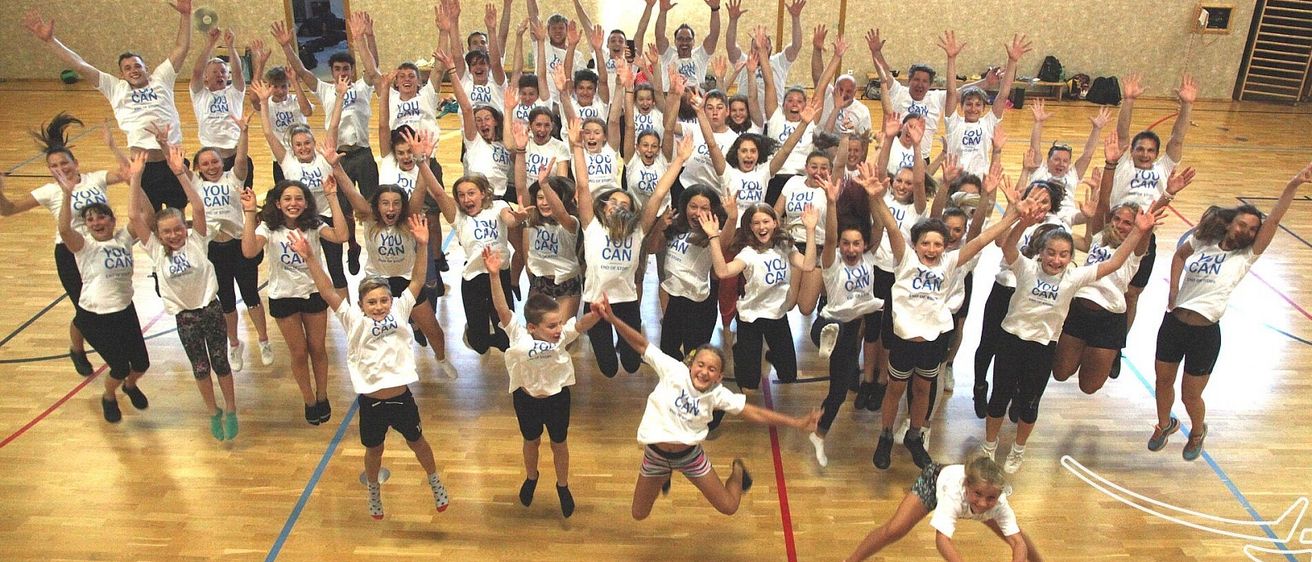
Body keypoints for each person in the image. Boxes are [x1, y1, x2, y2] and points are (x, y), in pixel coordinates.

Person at [983, 181, 1158, 474]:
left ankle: (1018, 449)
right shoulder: (1026, 267)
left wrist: (1140, 232)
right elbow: (1009, 245)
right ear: (1041, 252)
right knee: (999, 396)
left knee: (1029, 403)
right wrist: (1019, 218)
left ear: (1070, 257)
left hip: (1042, 348)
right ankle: (989, 446)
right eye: (1051, 253)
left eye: (1064, 254)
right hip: (1012, 340)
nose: (1056, 259)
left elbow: (1115, 262)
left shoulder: (1074, 278)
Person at [863, 158, 1027, 471]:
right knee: (895, 389)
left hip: (933, 340)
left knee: (923, 389)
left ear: (944, 247)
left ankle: (914, 435)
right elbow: (893, 227)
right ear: (916, 244)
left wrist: (1012, 216)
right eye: (926, 242)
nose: (933, 248)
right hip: (904, 339)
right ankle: (885, 435)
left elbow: (980, 239)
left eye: (938, 244)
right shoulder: (905, 259)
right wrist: (875, 196)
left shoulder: (950, 263)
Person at [593, 298, 819, 519]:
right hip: (655, 455)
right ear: (691, 365)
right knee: (639, 514)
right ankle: (664, 475)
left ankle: (738, 472)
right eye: (700, 365)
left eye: (712, 369)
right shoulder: (673, 370)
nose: (704, 371)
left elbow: (756, 412)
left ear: (719, 377)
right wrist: (612, 319)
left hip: (690, 456)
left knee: (729, 506)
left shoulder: (717, 395)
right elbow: (641, 344)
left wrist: (796, 422)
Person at [291, 213, 451, 520]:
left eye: (383, 300)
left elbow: (416, 281)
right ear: (362, 305)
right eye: (372, 302)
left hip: (402, 398)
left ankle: (434, 480)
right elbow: (327, 291)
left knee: (419, 442)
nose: (379, 306)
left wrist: (422, 244)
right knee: (374, 451)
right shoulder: (353, 321)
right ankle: (374, 491)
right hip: (372, 403)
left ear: (391, 301)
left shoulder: (401, 310)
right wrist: (311, 258)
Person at [1148, 163, 1308, 460]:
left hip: (1205, 333)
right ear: (1231, 223)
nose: (1246, 231)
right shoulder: (1205, 241)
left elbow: (1274, 220)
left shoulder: (1246, 256)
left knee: (1189, 394)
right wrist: (1173, 288)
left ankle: (1197, 432)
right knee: (1162, 381)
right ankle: (1164, 423)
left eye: (1252, 229)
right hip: (1173, 324)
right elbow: (1180, 255)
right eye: (1242, 225)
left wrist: (1293, 185)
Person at [1053, 135, 1194, 392]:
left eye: (1127, 223)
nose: (1119, 224)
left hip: (1110, 319)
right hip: (1080, 311)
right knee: (1060, 373)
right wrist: (1110, 165)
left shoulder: (1135, 249)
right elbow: (1105, 201)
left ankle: (1104, 351)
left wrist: (1168, 194)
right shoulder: (1098, 236)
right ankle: (1083, 349)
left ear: (1136, 227)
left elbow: (1149, 216)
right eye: (1116, 219)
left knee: (1089, 386)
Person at [23, 3, 192, 210]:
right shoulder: (115, 87)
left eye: (138, 66)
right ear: (121, 74)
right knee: (151, 219)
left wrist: (186, 15)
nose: (134, 70)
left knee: (178, 215)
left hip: (172, 160)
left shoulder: (161, 79)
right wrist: (51, 41)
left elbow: (181, 48)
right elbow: (80, 65)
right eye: (127, 68)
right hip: (143, 167)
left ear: (146, 67)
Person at [0, 113, 128, 376]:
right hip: (70, 252)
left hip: (101, 250)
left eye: (64, 162)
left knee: (103, 302)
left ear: (75, 163)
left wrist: (113, 146)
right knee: (84, 308)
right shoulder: (49, 191)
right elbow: (9, 209)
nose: (60, 168)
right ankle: (78, 348)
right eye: (54, 165)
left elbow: (128, 173)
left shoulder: (95, 178)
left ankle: (107, 351)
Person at [485, 246, 602, 517]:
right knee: (531, 441)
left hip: (557, 399)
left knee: (559, 444)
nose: (559, 329)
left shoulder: (562, 336)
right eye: (552, 326)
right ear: (532, 327)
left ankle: (563, 485)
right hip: (526, 400)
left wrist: (595, 313)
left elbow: (580, 325)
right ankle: (531, 476)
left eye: (559, 323)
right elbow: (502, 308)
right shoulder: (517, 334)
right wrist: (494, 275)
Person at [335, 129, 459, 380]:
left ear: (402, 206)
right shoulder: (369, 219)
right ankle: (370, 364)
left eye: (395, 203)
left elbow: (421, 190)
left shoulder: (408, 219)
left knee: (434, 330)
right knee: (373, 329)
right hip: (375, 282)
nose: (390, 208)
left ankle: (442, 357)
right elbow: (352, 193)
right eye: (385, 203)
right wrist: (336, 169)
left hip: (405, 281)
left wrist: (425, 159)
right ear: (376, 205)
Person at [572, 119, 686, 377]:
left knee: (632, 365)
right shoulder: (592, 227)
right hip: (596, 304)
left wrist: (678, 160)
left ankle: (626, 351)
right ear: (603, 207)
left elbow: (657, 195)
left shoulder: (637, 232)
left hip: (626, 303)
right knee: (609, 369)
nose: (619, 207)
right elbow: (582, 185)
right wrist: (577, 146)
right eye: (613, 202)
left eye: (625, 204)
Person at [139, 146, 238, 440]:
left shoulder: (197, 239)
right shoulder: (156, 250)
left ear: (185, 227)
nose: (173, 235)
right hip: (186, 317)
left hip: (210, 309)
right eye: (167, 231)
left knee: (221, 362)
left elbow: (197, 206)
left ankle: (230, 407)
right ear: (159, 235)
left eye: (177, 229)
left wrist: (181, 174)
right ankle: (213, 411)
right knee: (200, 367)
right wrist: (134, 181)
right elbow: (135, 214)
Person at [273, 13, 380, 276]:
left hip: (362, 154)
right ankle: (352, 245)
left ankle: (377, 247)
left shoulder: (363, 88)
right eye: (338, 70)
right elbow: (301, 71)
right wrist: (287, 46)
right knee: (344, 209)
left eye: (346, 69)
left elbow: (372, 66)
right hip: (337, 157)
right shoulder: (323, 89)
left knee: (371, 204)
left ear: (352, 71)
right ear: (331, 72)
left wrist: (366, 37)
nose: (342, 73)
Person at [240, 173, 350, 425]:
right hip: (283, 296)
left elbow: (341, 235)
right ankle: (309, 400)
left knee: (318, 348)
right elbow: (248, 251)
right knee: (299, 353)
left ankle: (323, 396)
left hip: (312, 292)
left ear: (306, 202)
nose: (293, 203)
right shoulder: (268, 227)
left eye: (298, 198)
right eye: (287, 198)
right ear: (277, 203)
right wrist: (248, 213)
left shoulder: (314, 224)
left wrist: (332, 197)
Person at [55, 157, 149, 423]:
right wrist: (66, 195)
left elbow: (146, 216)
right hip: (94, 316)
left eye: (101, 217)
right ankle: (109, 396)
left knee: (141, 364)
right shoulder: (84, 246)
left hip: (124, 311)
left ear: (111, 220)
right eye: (90, 219)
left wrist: (135, 181)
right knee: (119, 367)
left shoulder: (123, 238)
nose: (96, 222)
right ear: (86, 225)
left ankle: (130, 386)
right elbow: (64, 228)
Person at [181, 112, 274, 372]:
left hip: (238, 246)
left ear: (222, 163)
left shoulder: (233, 179)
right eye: (206, 163)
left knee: (251, 295)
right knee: (227, 301)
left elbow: (242, 159)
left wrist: (243, 132)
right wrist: (168, 148)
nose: (212, 166)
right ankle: (234, 344)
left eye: (215, 162)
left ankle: (264, 340)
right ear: (199, 168)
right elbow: (180, 170)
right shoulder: (196, 184)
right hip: (213, 250)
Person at [806, 171, 883, 467]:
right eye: (846, 243)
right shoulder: (832, 261)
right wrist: (831, 201)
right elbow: (829, 236)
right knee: (828, 328)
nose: (851, 249)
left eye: (856, 244)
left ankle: (820, 436)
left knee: (838, 392)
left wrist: (873, 196)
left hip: (851, 332)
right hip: (828, 322)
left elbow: (878, 229)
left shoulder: (870, 258)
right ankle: (826, 340)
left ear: (863, 246)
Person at [252, 77, 354, 297]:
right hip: (301, 221)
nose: (304, 147)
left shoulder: (324, 157)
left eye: (307, 143)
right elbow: (269, 134)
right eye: (298, 144)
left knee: (336, 268)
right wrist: (263, 103)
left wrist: (340, 96)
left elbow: (334, 125)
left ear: (313, 142)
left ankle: (346, 313)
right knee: (308, 265)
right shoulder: (287, 162)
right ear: (293, 147)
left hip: (325, 217)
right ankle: (313, 300)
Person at [1113, 73, 1197, 333]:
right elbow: (1122, 134)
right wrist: (1128, 100)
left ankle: (1117, 346)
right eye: (1141, 149)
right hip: (1114, 233)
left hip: (1145, 238)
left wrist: (1186, 106)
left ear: (1156, 154)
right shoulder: (1122, 164)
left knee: (1131, 295)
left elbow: (1177, 139)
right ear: (1133, 151)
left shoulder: (1163, 169)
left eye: (1150, 150)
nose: (1145, 154)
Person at [704, 202, 818, 389]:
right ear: (749, 227)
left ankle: (772, 353)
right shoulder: (748, 254)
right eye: (756, 223)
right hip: (751, 318)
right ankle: (740, 350)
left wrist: (811, 230)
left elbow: (808, 265)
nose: (761, 227)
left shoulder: (784, 247)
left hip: (777, 316)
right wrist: (713, 237)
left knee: (789, 375)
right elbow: (722, 272)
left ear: (775, 223)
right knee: (749, 381)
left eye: (766, 221)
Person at [844, 457, 1044, 562]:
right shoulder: (954, 495)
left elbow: (1018, 542)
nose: (983, 503)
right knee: (895, 529)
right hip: (935, 481)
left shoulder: (997, 503)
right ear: (966, 485)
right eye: (978, 495)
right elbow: (942, 540)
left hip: (966, 495)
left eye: (991, 497)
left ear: (999, 494)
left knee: (1018, 533)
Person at [941, 32, 1030, 177]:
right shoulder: (953, 123)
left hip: (980, 182)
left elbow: (1002, 96)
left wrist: (1012, 62)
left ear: (983, 108)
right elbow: (951, 93)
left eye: (977, 105)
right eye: (969, 104)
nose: (973, 108)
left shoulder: (988, 124)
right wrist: (951, 59)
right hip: (955, 180)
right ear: (962, 107)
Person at [189, 27, 250, 186]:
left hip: (235, 157)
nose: (220, 75)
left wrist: (230, 46)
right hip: (212, 161)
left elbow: (237, 73)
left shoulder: (234, 92)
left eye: (223, 72)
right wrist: (210, 44)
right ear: (206, 77)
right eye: (215, 72)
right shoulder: (199, 94)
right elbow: (196, 72)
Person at [724, 0, 803, 114]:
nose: (761, 51)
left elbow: (796, 46)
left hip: (773, 119)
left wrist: (795, 18)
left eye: (765, 47)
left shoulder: (779, 61)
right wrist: (733, 20)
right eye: (757, 47)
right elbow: (730, 46)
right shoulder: (743, 62)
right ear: (750, 48)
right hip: (747, 118)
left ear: (771, 48)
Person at [653, 0, 721, 91]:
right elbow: (659, 35)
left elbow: (714, 35)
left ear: (693, 42)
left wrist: (715, 9)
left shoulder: (700, 56)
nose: (684, 42)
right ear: (675, 41)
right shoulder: (668, 55)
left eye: (688, 39)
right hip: (672, 101)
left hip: (696, 102)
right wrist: (662, 12)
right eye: (680, 39)